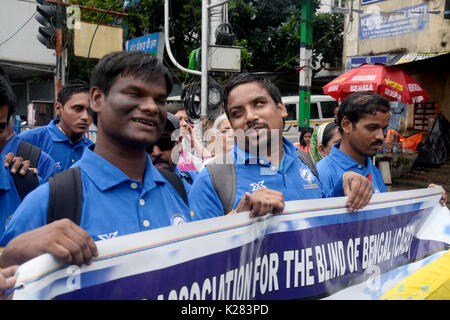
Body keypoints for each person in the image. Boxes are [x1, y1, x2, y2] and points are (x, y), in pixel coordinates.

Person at [0, 51, 193, 268]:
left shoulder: (178, 188)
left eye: (159, 99)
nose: (150, 107)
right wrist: (11, 257)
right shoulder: (49, 201)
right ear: (97, 99)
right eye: (134, 94)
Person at [188, 73, 373, 220]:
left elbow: (320, 219)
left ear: (282, 109)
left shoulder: (304, 160)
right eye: (237, 113)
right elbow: (198, 261)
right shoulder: (212, 181)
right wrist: (238, 218)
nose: (250, 117)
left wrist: (345, 183)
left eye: (259, 104)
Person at [317, 91, 447, 206]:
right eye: (372, 128)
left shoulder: (373, 171)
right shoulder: (322, 173)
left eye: (383, 129)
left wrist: (426, 201)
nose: (381, 136)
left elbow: (386, 222)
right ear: (346, 125)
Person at [18, 80, 94, 173]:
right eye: (78, 109)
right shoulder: (28, 141)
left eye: (90, 110)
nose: (85, 117)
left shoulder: (92, 151)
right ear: (58, 108)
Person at [148, 111, 198, 191]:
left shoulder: (197, 181)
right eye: (149, 144)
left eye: (165, 143)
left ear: (179, 143)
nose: (156, 152)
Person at [166, 103, 212, 171]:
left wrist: (194, 141)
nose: (185, 124)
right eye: (179, 119)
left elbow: (211, 163)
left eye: (186, 120)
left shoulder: (186, 156)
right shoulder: (162, 154)